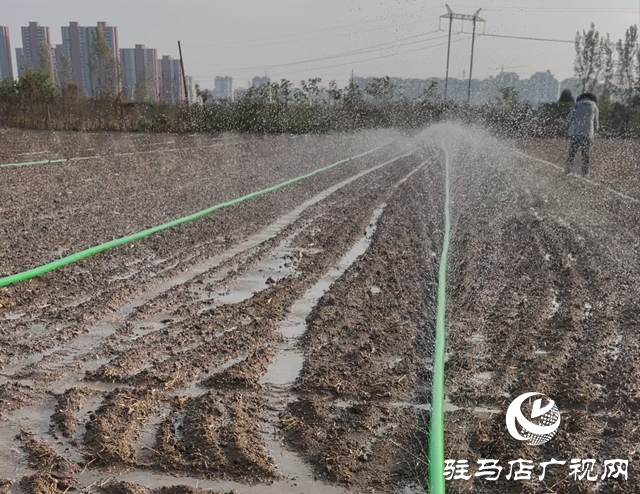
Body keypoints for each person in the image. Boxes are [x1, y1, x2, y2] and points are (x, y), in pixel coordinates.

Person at [565, 92, 599, 176]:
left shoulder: (577, 104)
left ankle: (568, 170)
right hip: (587, 133)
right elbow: (596, 123)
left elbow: (569, 118)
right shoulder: (594, 106)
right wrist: (595, 131)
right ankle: (585, 173)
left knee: (572, 152)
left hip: (576, 132)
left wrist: (567, 129)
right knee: (586, 154)